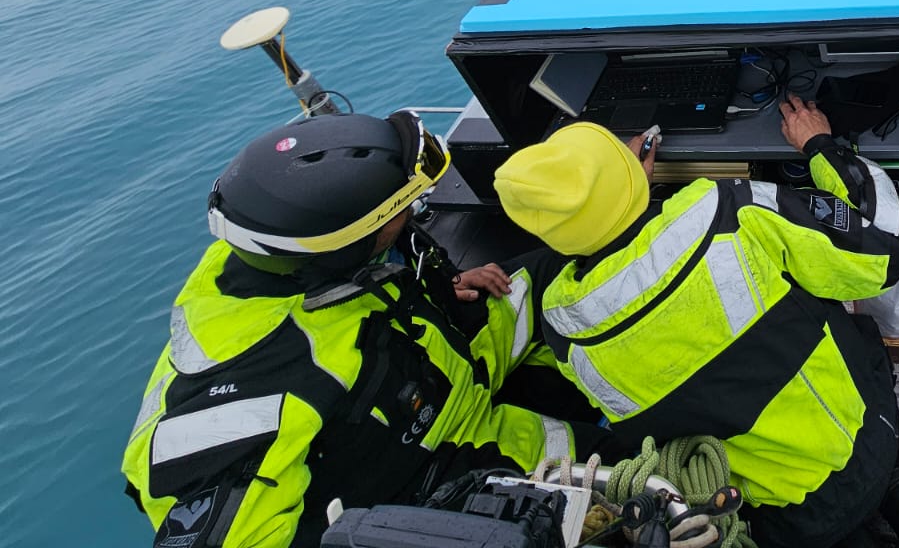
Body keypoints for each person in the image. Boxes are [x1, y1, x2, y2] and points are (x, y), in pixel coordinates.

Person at [493, 96, 899, 548]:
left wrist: (617, 198)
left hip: (782, 518)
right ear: (627, 175)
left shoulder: (565, 331)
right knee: (863, 375)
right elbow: (882, 245)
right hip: (866, 446)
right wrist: (821, 146)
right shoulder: (727, 211)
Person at [122, 109, 593, 548]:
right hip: (447, 462)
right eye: (398, 208)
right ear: (347, 247)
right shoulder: (268, 393)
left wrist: (441, 285)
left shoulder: (282, 256)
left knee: (567, 270)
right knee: (622, 468)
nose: (413, 210)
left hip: (442, 359)